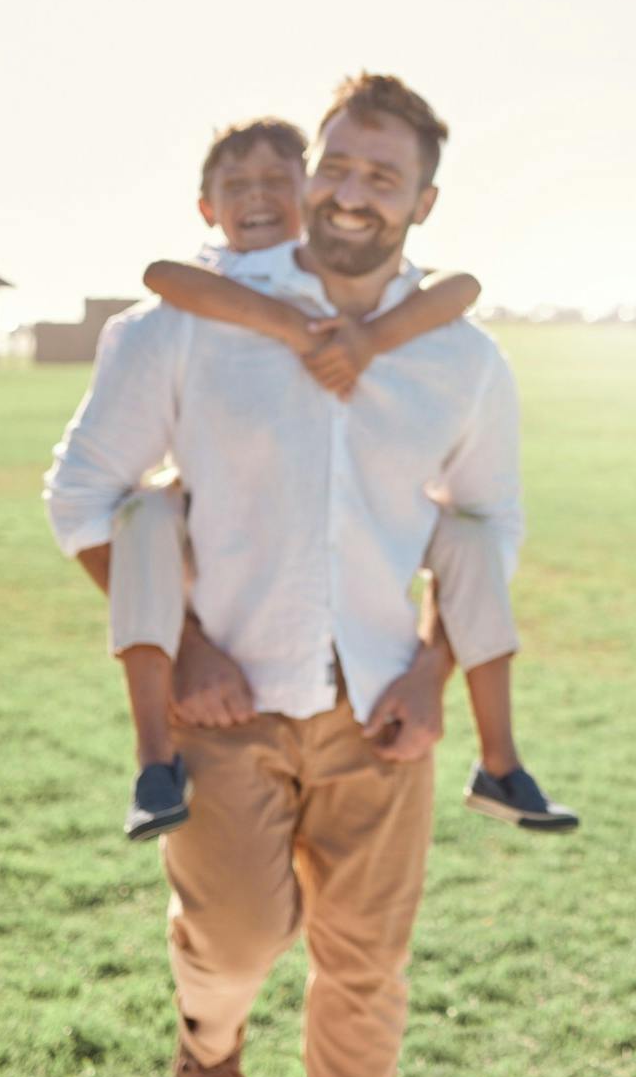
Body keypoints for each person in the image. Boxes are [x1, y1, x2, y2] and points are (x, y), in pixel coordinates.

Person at [46, 72, 553, 1077]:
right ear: (309, 172)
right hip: (223, 704)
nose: (352, 192)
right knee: (235, 944)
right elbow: (82, 497)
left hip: (382, 715)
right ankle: (210, 1041)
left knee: (366, 972)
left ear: (424, 202)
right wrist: (185, 646)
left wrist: (428, 668)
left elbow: (489, 520)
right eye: (338, 165)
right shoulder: (187, 323)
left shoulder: (462, 360)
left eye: (384, 175)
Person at [97, 115, 573, 841]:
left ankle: (501, 762)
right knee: (147, 515)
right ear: (208, 208)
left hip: (368, 663)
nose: (258, 201)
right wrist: (290, 329)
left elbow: (463, 285)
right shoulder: (213, 290)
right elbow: (161, 277)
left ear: (304, 195)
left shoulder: (373, 294)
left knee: (473, 535)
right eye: (236, 187)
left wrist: (370, 340)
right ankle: (152, 762)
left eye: (277, 183)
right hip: (216, 562)